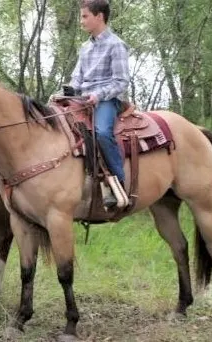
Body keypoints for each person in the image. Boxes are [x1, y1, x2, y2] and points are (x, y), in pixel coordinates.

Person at [70, 0, 130, 208]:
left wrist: (98, 95)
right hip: (82, 100)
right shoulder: (85, 48)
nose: (81, 21)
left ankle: (118, 183)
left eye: (85, 16)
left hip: (107, 100)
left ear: (99, 17)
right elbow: (76, 79)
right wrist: (66, 93)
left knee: (103, 133)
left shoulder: (116, 45)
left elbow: (121, 81)